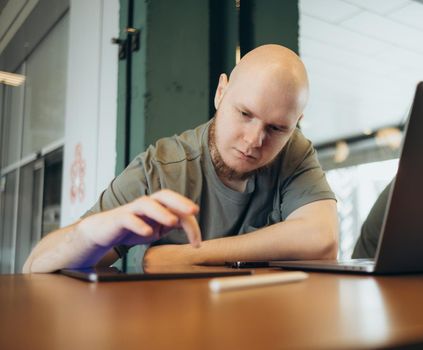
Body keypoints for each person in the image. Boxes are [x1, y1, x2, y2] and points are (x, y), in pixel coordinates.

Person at [23, 44, 339, 273]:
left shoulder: (294, 150)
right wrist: (93, 231)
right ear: (221, 92)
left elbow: (322, 240)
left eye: (277, 128)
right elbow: (36, 265)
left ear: (294, 124)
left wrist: (189, 255)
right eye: (244, 113)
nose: (254, 140)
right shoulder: (160, 168)